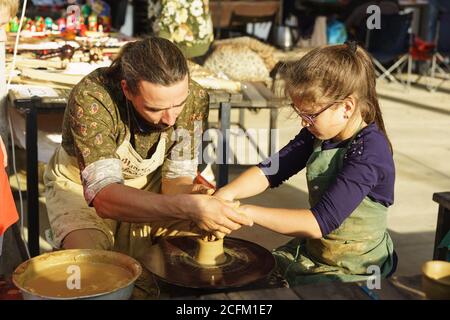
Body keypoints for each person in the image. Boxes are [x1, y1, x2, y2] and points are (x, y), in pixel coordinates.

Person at [44, 37, 252, 259]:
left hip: (152, 185)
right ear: (127, 90)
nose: (170, 119)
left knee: (196, 247)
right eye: (155, 108)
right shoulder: (94, 96)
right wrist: (186, 206)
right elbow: (103, 198)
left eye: (178, 104)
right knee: (92, 264)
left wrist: (197, 196)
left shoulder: (195, 98)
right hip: (81, 189)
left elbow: (175, 181)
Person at [215, 42, 396, 285]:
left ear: (346, 107)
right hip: (317, 253)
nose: (303, 122)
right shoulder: (318, 134)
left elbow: (320, 222)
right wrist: (225, 194)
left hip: (357, 267)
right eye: (299, 113)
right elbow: (271, 170)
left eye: (310, 115)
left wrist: (247, 212)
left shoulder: (369, 151)